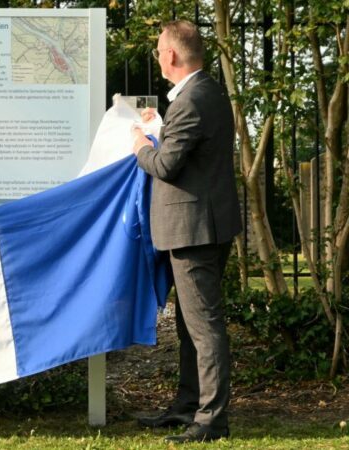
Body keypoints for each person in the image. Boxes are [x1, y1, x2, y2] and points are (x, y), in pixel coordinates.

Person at [131, 20, 241, 443]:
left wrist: (141, 143)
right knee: (190, 325)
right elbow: (188, 150)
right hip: (204, 226)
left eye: (159, 49)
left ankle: (211, 418)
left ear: (171, 56)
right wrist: (160, 127)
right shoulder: (205, 93)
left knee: (203, 325)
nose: (158, 55)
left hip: (195, 232)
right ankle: (188, 405)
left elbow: (165, 166)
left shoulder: (192, 100)